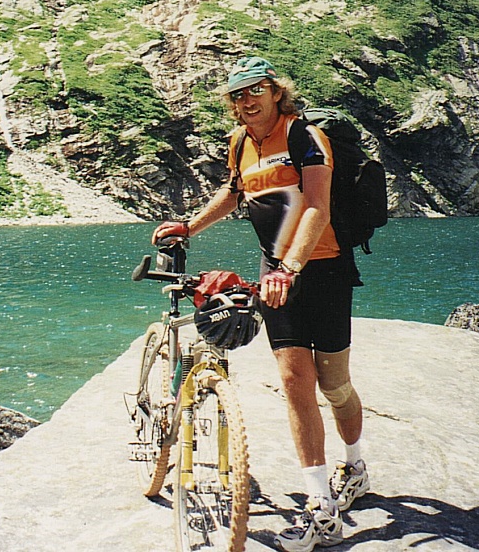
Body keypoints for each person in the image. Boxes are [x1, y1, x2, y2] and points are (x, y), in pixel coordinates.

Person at [153, 55, 370, 550]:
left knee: (334, 386)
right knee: (296, 380)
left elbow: (316, 205)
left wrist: (292, 267)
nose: (245, 101)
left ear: (276, 92)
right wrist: (190, 226)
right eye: (236, 95)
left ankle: (355, 465)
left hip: (325, 268)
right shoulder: (240, 143)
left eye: (254, 90)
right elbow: (234, 193)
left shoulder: (304, 137)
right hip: (276, 274)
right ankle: (321, 507)